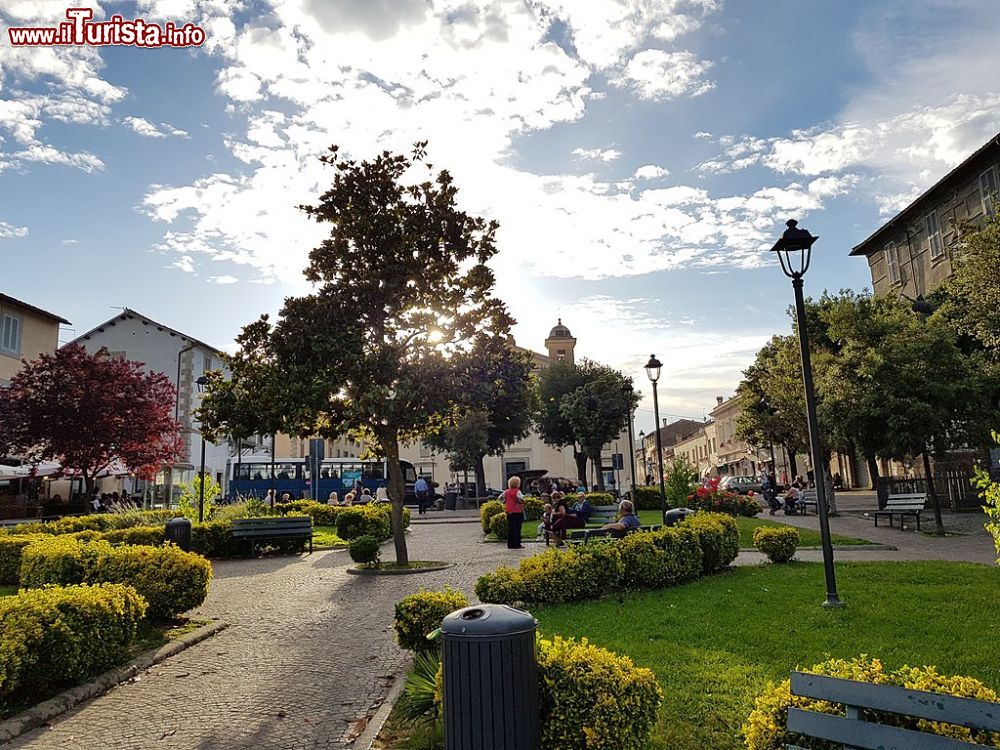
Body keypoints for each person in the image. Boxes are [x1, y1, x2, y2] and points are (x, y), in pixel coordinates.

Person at [503, 476, 526, 549]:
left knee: (510, 528)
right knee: (517, 529)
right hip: (517, 511)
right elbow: (522, 498)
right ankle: (517, 544)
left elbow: (500, 498)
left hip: (509, 512)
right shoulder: (517, 491)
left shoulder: (506, 492)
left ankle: (510, 544)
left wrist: (505, 503)